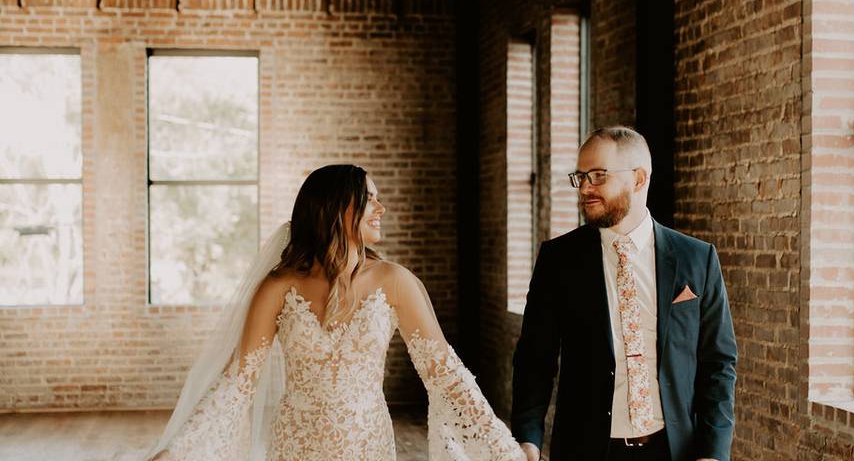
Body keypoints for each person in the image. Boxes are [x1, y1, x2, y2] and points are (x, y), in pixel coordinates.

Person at [147, 164, 524, 461]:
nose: (381, 208)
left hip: (366, 446)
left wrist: (502, 449)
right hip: (296, 447)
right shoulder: (278, 288)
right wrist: (180, 450)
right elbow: (237, 383)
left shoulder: (395, 282)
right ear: (334, 208)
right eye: (369, 199)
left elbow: (447, 376)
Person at [511, 126, 737, 461]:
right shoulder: (558, 260)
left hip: (674, 450)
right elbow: (535, 359)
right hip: (585, 450)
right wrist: (527, 438)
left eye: (599, 175)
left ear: (639, 178)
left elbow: (718, 361)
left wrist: (714, 452)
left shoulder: (697, 258)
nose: (585, 187)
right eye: (581, 176)